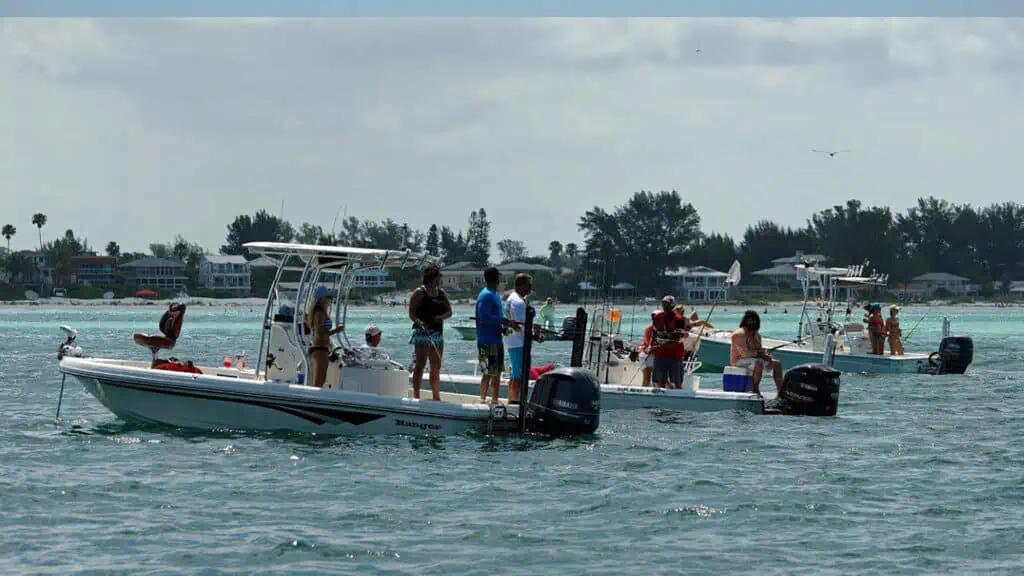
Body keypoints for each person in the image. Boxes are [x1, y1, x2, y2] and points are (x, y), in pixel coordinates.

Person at [408, 264, 452, 401]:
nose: (440, 279)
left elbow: (449, 312)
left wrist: (441, 317)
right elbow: (412, 313)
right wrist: (420, 323)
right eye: (439, 277)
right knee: (420, 365)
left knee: (436, 366)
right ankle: (416, 395)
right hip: (422, 334)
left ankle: (436, 396)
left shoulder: (441, 292)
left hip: (438, 334)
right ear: (433, 278)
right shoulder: (420, 292)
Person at [729, 310, 782, 395]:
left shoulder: (757, 335)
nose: (752, 322)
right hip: (739, 361)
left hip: (754, 359)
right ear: (745, 321)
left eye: (754, 320)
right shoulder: (739, 334)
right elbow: (744, 354)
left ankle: (780, 392)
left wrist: (766, 355)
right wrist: (759, 354)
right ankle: (755, 390)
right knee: (758, 363)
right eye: (750, 320)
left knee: (776, 364)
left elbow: (759, 350)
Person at [475, 266, 507, 404]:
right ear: (496, 279)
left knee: (496, 372)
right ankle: (485, 399)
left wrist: (502, 327)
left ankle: (494, 399)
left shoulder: (494, 294)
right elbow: (484, 316)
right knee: (489, 372)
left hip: (496, 338)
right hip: (487, 340)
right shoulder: (486, 295)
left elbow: (494, 317)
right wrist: (503, 321)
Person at [307, 285, 345, 387]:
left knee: (322, 379)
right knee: (319, 381)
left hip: (322, 349)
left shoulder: (322, 313)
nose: (330, 300)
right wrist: (336, 330)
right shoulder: (319, 314)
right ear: (321, 299)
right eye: (328, 297)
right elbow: (320, 333)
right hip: (319, 349)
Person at [504, 273, 533, 404]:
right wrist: (533, 333)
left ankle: (512, 398)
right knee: (518, 374)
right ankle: (515, 401)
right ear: (520, 285)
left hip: (513, 341)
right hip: (518, 342)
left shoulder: (513, 298)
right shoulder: (517, 302)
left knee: (515, 373)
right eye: (528, 285)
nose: (530, 288)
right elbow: (520, 324)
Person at [650, 296, 687, 389]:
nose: (665, 306)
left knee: (677, 383)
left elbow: (679, 338)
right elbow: (654, 335)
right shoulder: (657, 317)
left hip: (675, 355)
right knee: (660, 382)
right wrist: (652, 346)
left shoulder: (679, 319)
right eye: (664, 304)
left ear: (673, 305)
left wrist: (665, 344)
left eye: (667, 304)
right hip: (660, 354)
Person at [637, 319, 656, 386]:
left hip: (655, 355)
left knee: (654, 379)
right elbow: (646, 341)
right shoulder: (648, 329)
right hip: (646, 354)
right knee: (646, 378)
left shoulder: (662, 329)